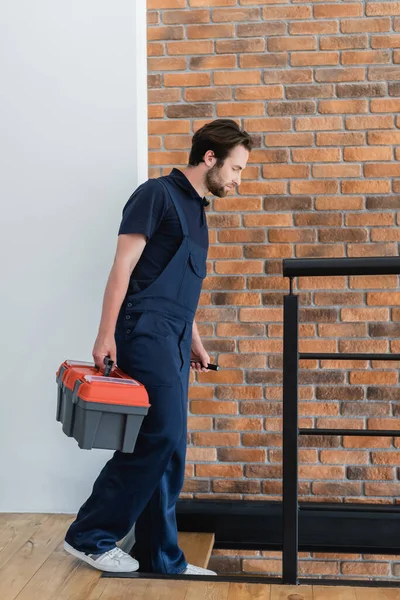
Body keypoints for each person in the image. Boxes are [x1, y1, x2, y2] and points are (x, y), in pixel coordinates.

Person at [64, 119, 252, 575]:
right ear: (210, 158)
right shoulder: (156, 195)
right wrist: (104, 334)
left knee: (171, 447)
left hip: (172, 335)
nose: (238, 181)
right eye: (236, 169)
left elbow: (178, 290)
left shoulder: (197, 212)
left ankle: (161, 557)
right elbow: (123, 270)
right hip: (142, 329)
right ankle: (89, 535)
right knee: (159, 435)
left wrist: (195, 342)